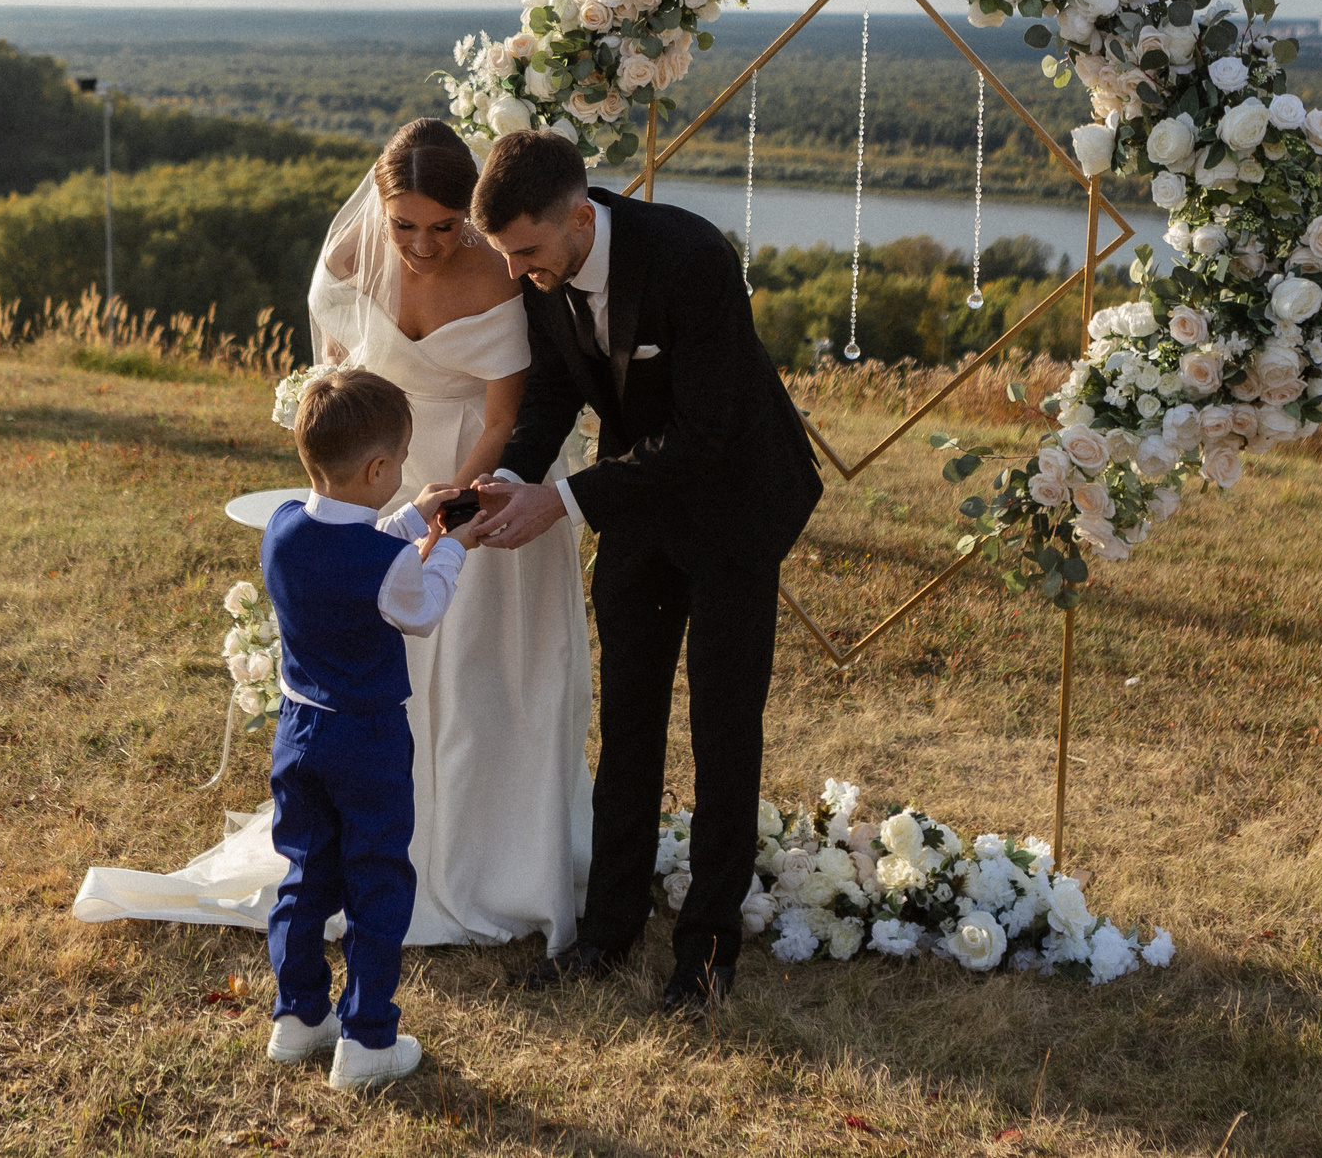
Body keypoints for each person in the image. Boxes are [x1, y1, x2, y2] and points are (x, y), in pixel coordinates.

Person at [74, 121, 592, 953]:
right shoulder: (354, 250)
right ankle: (381, 844)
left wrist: (457, 507)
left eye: (442, 225)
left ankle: (493, 861)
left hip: (473, 470)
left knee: (484, 672)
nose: (422, 244)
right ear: (381, 211)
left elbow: (507, 415)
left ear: (468, 214)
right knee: (387, 675)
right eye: (404, 225)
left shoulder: (502, 274)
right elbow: (339, 358)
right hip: (379, 472)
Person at [466, 129, 823, 1017]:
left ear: (579, 220)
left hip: (735, 504)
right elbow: (552, 390)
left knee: (722, 726)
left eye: (527, 252)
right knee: (626, 719)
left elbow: (706, 434)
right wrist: (509, 480)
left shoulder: (693, 257)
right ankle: (607, 932)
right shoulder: (539, 274)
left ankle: (706, 953)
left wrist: (566, 502)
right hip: (634, 506)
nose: (513, 273)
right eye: (504, 254)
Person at [261, 367, 485, 1091]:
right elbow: (417, 606)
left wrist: (414, 518)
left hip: (299, 731)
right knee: (377, 880)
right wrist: (451, 542)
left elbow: (350, 552)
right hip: (367, 740)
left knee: (305, 872)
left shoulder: (283, 528)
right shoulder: (389, 563)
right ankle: (366, 1039)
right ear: (379, 467)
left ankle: (297, 1018)